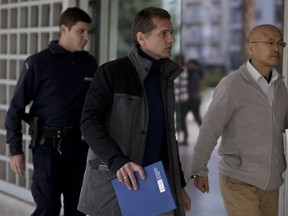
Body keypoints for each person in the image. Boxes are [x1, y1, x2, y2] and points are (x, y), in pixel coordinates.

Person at [77, 7, 191, 216]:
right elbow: (89, 123)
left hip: (156, 187)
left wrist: (179, 184)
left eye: (171, 33)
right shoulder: (111, 72)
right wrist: (118, 161)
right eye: (163, 33)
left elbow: (167, 137)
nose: (171, 40)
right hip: (116, 185)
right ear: (142, 38)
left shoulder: (166, 80)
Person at [5, 7, 98, 216]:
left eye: (88, 32)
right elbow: (15, 110)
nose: (86, 37)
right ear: (64, 29)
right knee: (48, 208)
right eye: (81, 31)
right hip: (47, 148)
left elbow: (97, 107)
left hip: (79, 146)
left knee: (79, 209)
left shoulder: (90, 64)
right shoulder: (38, 63)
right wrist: (15, 150)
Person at [190, 24, 288, 216]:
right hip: (238, 179)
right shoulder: (231, 85)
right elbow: (210, 129)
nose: (276, 48)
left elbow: (281, 123)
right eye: (270, 43)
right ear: (251, 47)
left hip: (272, 181)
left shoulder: (280, 86)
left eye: (280, 43)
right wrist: (198, 169)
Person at [177, 59, 203, 145]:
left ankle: (206, 137)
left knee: (196, 118)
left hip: (191, 100)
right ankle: (185, 138)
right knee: (182, 119)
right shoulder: (191, 72)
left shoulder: (193, 72)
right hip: (189, 100)